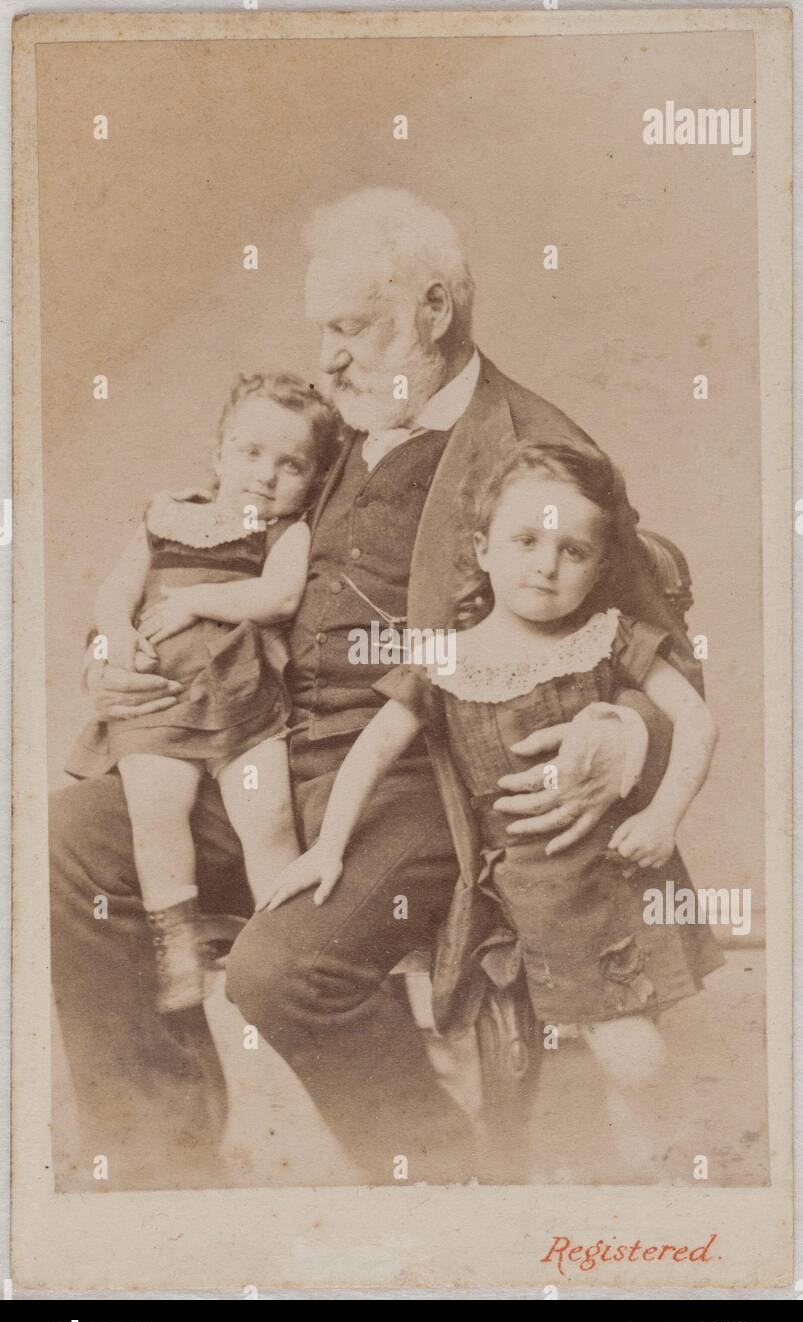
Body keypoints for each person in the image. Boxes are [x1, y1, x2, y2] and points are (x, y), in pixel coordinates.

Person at [50, 188, 701, 1188]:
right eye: (324, 330)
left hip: (422, 786)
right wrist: (114, 646)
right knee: (68, 843)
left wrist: (623, 731)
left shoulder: (533, 442)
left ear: (435, 309)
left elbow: (656, 653)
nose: (328, 359)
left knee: (283, 970)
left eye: (352, 327)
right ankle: (161, 1174)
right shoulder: (337, 427)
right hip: (261, 753)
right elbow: (192, 553)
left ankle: (442, 1188)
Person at [263, 441, 725, 1177]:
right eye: (525, 541)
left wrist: (663, 815)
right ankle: (525, 1181)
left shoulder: (609, 641)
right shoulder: (446, 660)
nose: (545, 565)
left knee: (632, 1057)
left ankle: (648, 1151)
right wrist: (327, 849)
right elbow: (375, 750)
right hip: (505, 888)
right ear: (481, 549)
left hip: (604, 882)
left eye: (572, 551)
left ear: (601, 565)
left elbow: (695, 720)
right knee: (507, 1052)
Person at [66, 373, 340, 1012]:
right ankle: (178, 942)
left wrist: (195, 601)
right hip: (161, 699)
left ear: (312, 479)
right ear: (218, 453)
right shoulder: (167, 518)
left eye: (290, 464)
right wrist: (112, 630)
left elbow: (279, 596)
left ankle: (280, 943)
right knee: (157, 818)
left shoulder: (283, 533)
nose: (266, 475)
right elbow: (117, 590)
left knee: (269, 820)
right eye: (250, 453)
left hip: (244, 700)